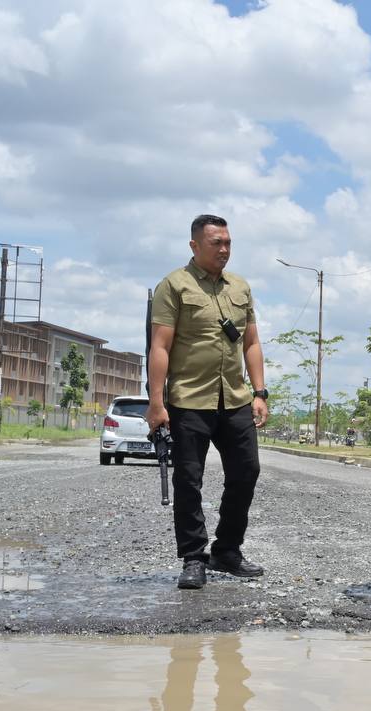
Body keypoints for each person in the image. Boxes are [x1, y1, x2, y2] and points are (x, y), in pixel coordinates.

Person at [148, 214, 268, 591]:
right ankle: (194, 558)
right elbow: (160, 346)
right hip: (189, 398)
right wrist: (156, 402)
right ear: (194, 245)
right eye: (216, 243)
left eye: (228, 242)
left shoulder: (241, 288)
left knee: (246, 472)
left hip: (234, 398)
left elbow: (251, 342)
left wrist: (260, 392)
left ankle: (227, 550)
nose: (224, 250)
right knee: (189, 480)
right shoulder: (174, 286)